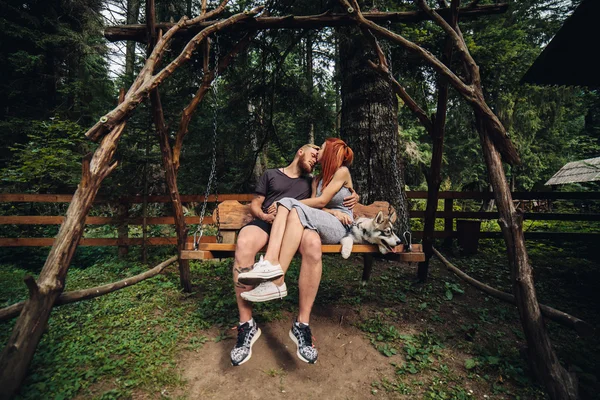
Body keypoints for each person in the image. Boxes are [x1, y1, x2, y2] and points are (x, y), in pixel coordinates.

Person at [231, 143, 359, 367]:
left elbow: (322, 203)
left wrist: (350, 198)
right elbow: (256, 204)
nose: (315, 157)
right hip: (269, 223)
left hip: (298, 226)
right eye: (313, 153)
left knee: (312, 243)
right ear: (301, 151)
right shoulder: (272, 174)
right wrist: (263, 215)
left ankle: (302, 324)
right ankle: (246, 324)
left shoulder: (313, 180)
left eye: (319, 154)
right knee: (243, 243)